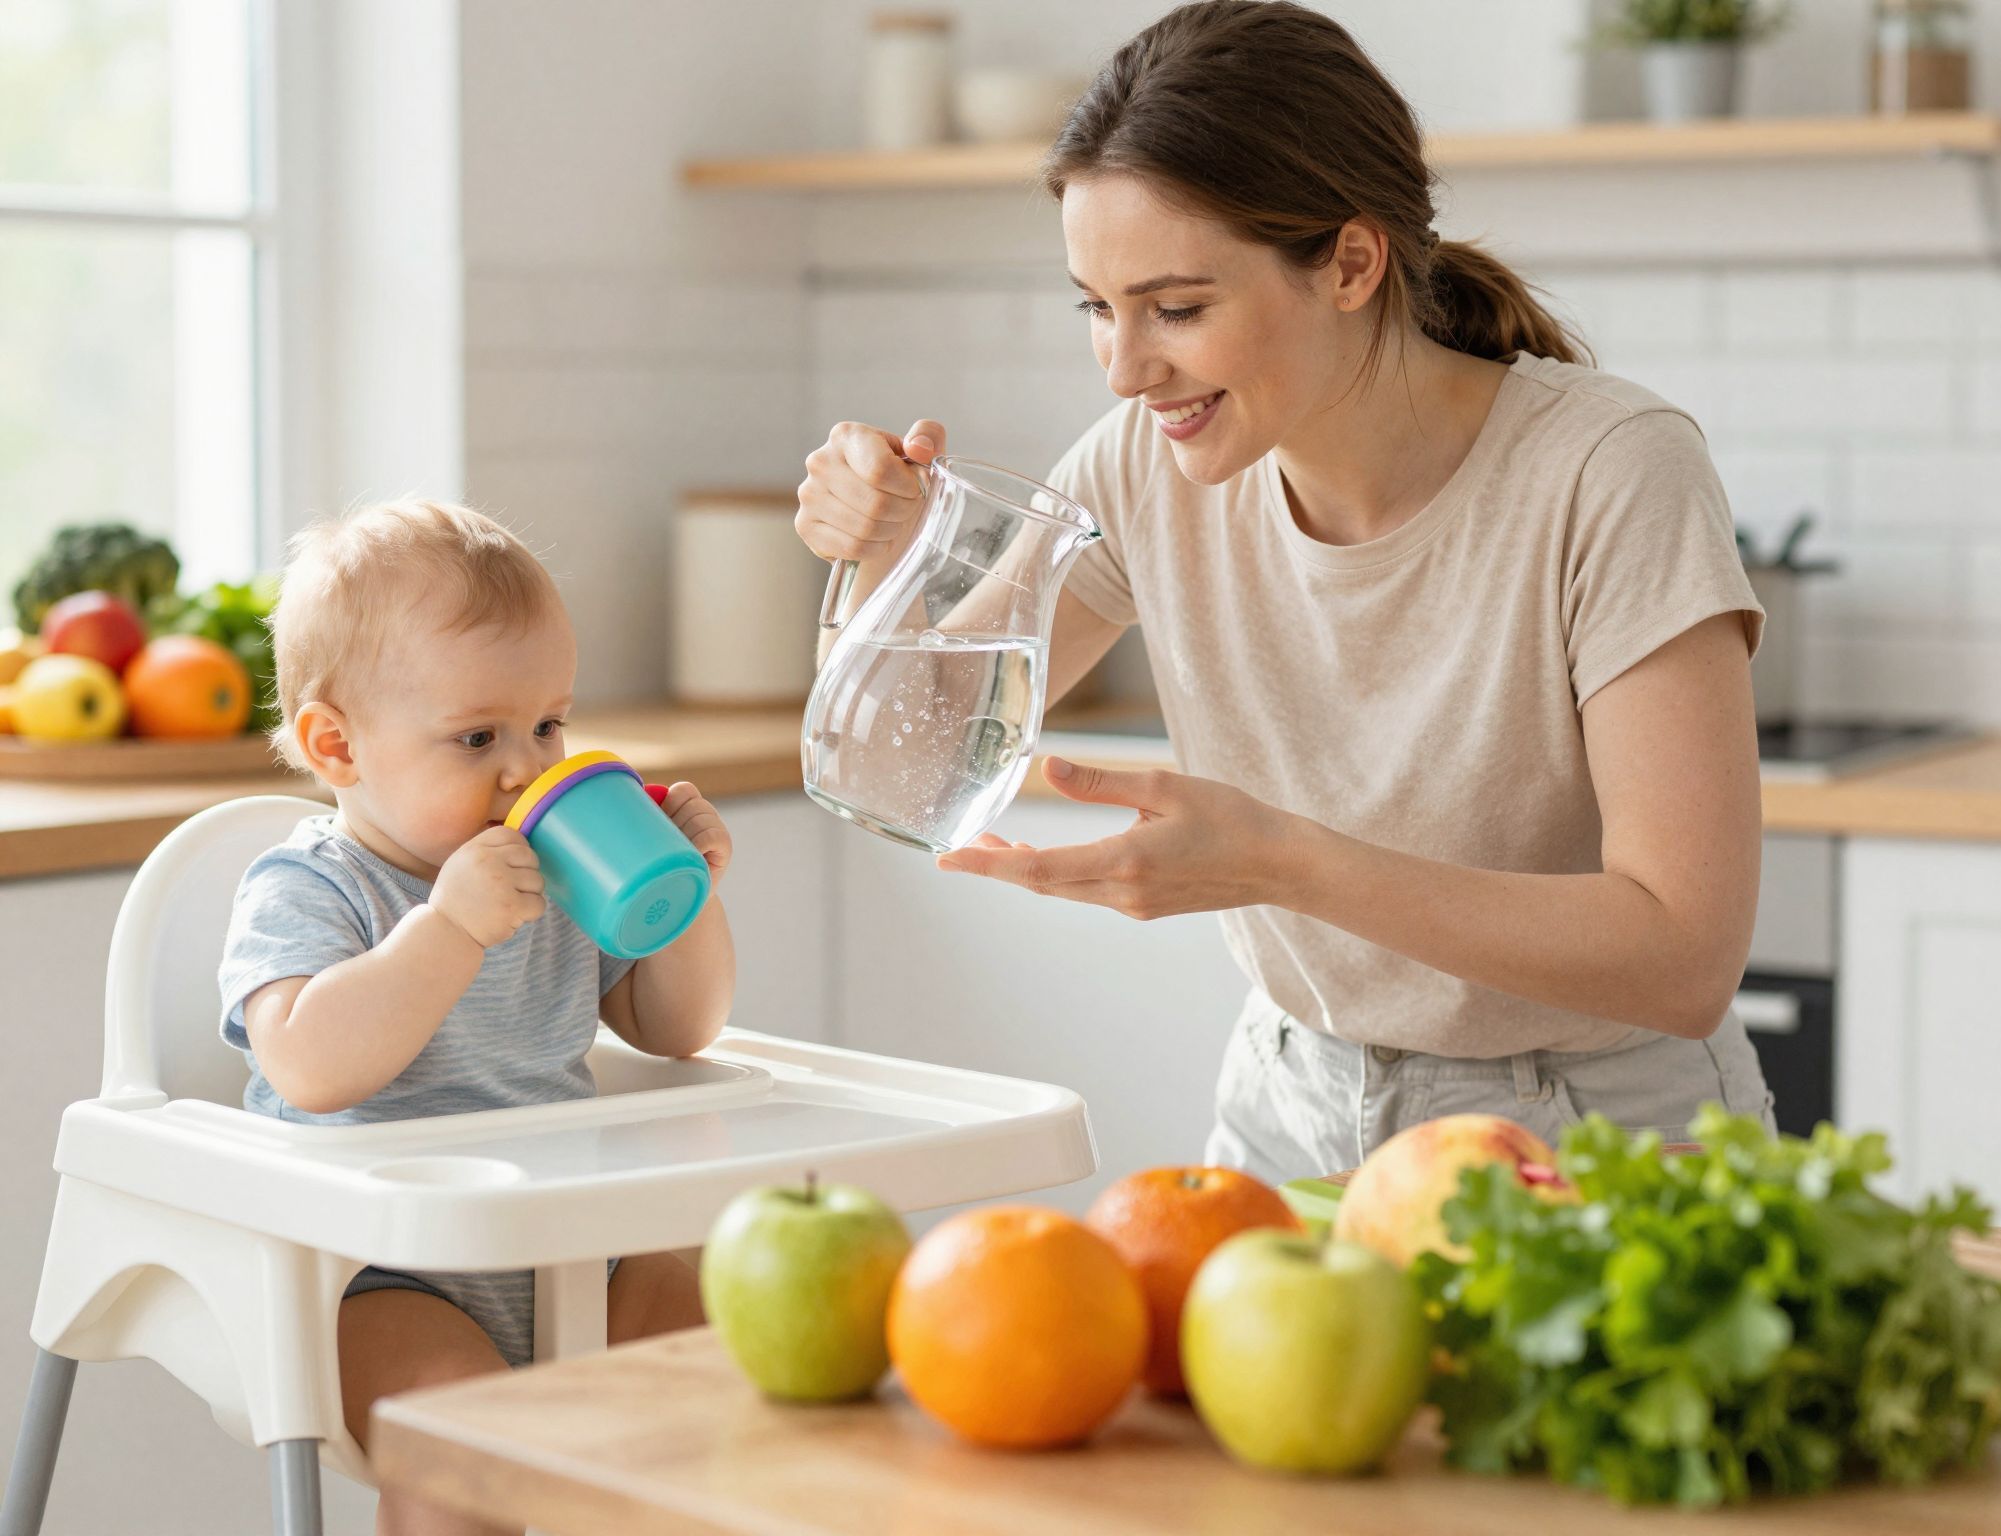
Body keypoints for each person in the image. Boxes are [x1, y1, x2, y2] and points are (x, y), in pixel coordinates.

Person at [794, 0, 1774, 1187]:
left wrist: (1280, 864)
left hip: (1589, 1132)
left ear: (1350, 263)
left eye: (1176, 308)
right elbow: (906, 767)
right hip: (1292, 1103)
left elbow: (1681, 957)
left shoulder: (1607, 469)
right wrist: (889, 554)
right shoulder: (1138, 470)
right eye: (1097, 306)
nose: (1122, 368)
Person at [219, 500, 734, 1536]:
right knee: (465, 1458)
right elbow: (309, 1065)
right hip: (379, 1273)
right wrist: (447, 928)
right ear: (337, 745)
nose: (526, 769)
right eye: (476, 737)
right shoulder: (309, 887)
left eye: (548, 725)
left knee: (725, 1394)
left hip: (577, 1245)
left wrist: (683, 893)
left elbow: (678, 1029)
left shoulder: (555, 872)